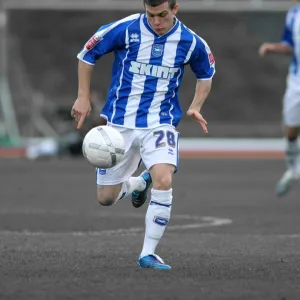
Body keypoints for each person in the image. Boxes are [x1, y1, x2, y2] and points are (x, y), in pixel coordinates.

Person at [71, 0, 215, 269]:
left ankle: (148, 253)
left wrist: (196, 106)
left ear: (175, 9)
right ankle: (138, 183)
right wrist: (82, 96)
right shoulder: (125, 28)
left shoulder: (191, 42)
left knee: (163, 179)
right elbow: (87, 54)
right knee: (106, 199)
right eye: (151, 15)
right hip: (119, 125)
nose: (156, 22)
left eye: (162, 15)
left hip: (160, 124)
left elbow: (206, 73)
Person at [258, 1, 300, 197]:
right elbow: (289, 45)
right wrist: (273, 47)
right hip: (296, 82)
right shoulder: (293, 15)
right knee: (291, 131)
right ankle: (294, 170)